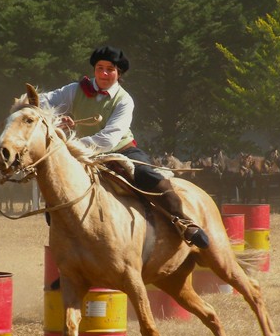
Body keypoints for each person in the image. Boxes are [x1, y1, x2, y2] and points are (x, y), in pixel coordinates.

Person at [39, 45, 209, 249]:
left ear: (118, 73)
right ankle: (69, 254)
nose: (103, 73)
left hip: (121, 150)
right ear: (94, 69)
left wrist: (71, 145)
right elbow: (42, 102)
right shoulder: (74, 90)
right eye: (99, 68)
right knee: (56, 195)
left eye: (110, 69)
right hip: (82, 155)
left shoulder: (124, 100)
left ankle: (183, 222)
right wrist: (56, 119)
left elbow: (108, 139)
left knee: (150, 176)